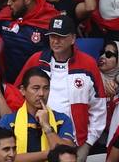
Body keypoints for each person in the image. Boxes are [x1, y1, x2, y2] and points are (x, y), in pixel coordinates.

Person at [13, 14, 105, 154]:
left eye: (61, 36)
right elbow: (17, 94)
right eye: (52, 36)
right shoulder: (36, 60)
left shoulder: (88, 64)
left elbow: (99, 107)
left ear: (73, 38)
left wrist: (88, 144)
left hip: (74, 143)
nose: (55, 41)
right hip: (36, 137)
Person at [0, 69, 76, 162]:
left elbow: (67, 158)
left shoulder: (61, 119)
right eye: (36, 88)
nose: (41, 94)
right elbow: (4, 158)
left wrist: (47, 127)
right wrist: (49, 153)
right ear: (22, 90)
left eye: (46, 88)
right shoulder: (9, 121)